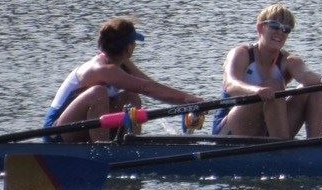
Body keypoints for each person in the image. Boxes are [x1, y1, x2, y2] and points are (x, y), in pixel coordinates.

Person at [44, 17, 206, 143]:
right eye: (134, 43)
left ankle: (129, 145)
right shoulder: (101, 69)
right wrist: (187, 99)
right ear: (128, 47)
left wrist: (187, 102)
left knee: (131, 96)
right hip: (55, 133)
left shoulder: (121, 63)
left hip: (80, 129)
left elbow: (149, 85)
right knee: (98, 92)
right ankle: (104, 149)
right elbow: (147, 88)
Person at [213, 4, 322, 139]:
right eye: (274, 26)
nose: (280, 32)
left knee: (319, 89)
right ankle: (282, 150)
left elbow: (306, 75)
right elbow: (231, 85)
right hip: (229, 130)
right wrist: (256, 91)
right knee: (273, 86)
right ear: (260, 27)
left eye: (286, 29)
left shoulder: (289, 60)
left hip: (268, 130)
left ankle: (316, 148)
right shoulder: (242, 53)